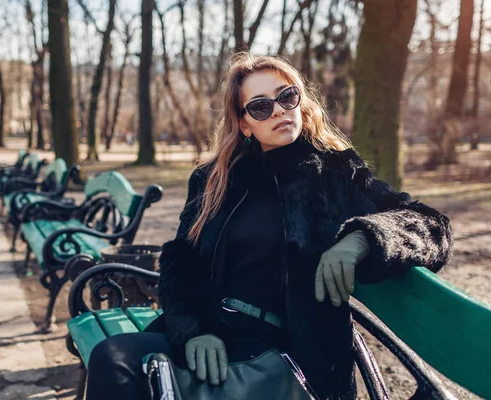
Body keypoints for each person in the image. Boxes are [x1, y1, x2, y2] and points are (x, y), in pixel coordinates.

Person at [85, 53, 453, 400]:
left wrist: (362, 239)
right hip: (213, 329)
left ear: (300, 101)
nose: (278, 110)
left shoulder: (337, 174)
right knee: (111, 357)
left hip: (286, 351)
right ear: (244, 123)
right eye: (261, 106)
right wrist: (194, 331)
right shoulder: (214, 179)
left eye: (286, 96)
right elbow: (183, 260)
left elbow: (431, 225)